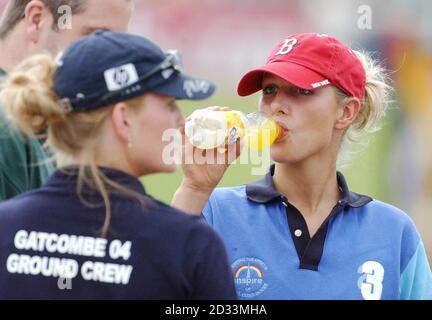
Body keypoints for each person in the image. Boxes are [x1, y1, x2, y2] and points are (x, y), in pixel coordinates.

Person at [172, 33, 432, 300]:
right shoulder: (213, 211)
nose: (276, 106)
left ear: (346, 112)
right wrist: (193, 188)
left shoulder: (394, 233)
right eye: (270, 90)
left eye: (301, 90)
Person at [0, 30, 237, 300]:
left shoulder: (6, 225)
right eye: (170, 104)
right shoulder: (190, 245)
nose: (180, 120)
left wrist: (194, 190)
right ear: (124, 119)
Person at [0, 0, 133, 200]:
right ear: (37, 20)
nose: (108, 60)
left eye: (115, 45)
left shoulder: (29, 115)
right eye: (96, 37)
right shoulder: (7, 125)